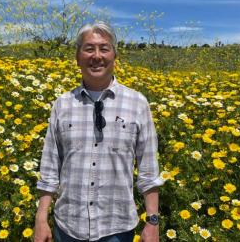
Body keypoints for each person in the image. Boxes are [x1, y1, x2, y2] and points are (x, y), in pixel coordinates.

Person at [34, 21, 163, 242]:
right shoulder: (62, 104)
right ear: (77, 57)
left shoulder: (138, 103)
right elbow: (49, 167)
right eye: (88, 48)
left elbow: (149, 171)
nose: (96, 56)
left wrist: (152, 222)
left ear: (114, 56)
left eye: (104, 48)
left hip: (117, 229)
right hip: (68, 227)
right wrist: (40, 219)